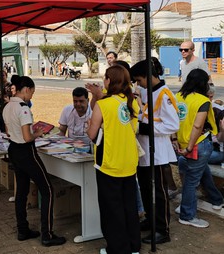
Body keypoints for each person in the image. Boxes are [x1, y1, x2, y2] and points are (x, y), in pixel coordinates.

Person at [3, 74, 66, 247]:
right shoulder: (23, 108)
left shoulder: (7, 106)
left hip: (14, 150)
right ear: (26, 89)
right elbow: (27, 137)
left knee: (21, 192)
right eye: (32, 92)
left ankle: (22, 229)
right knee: (47, 190)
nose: (32, 95)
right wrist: (38, 132)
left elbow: (9, 132)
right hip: (26, 152)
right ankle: (47, 234)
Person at [86, 65, 141, 254]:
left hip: (109, 163)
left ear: (110, 81)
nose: (103, 81)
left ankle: (117, 249)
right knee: (129, 207)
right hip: (129, 162)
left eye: (105, 78)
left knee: (112, 210)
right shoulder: (131, 102)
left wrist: (89, 127)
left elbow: (92, 135)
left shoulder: (104, 105)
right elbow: (132, 129)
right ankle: (133, 246)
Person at [130, 58, 179, 245]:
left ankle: (162, 229)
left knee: (159, 192)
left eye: (139, 80)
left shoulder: (164, 94)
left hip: (157, 152)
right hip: (144, 150)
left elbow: (172, 124)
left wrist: (147, 129)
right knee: (145, 188)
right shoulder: (147, 91)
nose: (138, 84)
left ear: (149, 76)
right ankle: (150, 221)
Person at [174, 68, 223, 228]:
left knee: (200, 172)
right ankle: (187, 214)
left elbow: (175, 120)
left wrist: (176, 140)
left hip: (182, 143)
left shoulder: (178, 96)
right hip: (197, 144)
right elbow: (197, 126)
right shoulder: (203, 101)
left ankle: (216, 199)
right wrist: (189, 148)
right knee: (191, 181)